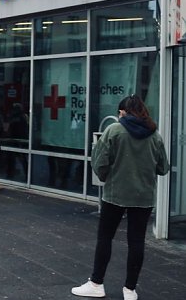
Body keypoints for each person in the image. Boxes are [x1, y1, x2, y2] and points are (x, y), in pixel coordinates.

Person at [71, 95, 169, 300]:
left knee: (105, 237)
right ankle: (130, 290)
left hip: (115, 194)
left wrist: (109, 177)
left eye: (120, 112)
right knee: (136, 241)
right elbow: (163, 167)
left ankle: (96, 283)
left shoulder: (114, 130)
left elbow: (99, 163)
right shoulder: (154, 135)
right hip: (143, 196)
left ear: (124, 112)